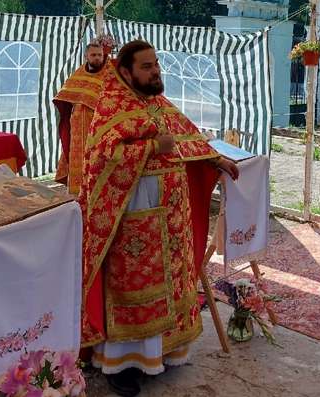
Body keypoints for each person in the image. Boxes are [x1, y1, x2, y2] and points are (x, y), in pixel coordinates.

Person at [78, 40, 239, 397]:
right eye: (147, 67)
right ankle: (122, 364)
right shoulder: (112, 105)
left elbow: (186, 136)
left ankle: (161, 352)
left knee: (169, 283)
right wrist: (152, 147)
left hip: (169, 215)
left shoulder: (156, 101)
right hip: (132, 212)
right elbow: (103, 157)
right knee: (134, 285)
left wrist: (215, 160)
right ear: (126, 71)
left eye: (156, 65)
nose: (155, 72)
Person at [53, 42, 108, 195]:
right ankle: (77, 194)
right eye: (94, 55)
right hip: (77, 126)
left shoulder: (109, 73)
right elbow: (66, 92)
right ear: (86, 56)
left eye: (100, 55)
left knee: (97, 160)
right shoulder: (79, 73)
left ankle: (96, 193)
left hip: (99, 126)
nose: (97, 58)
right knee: (78, 159)